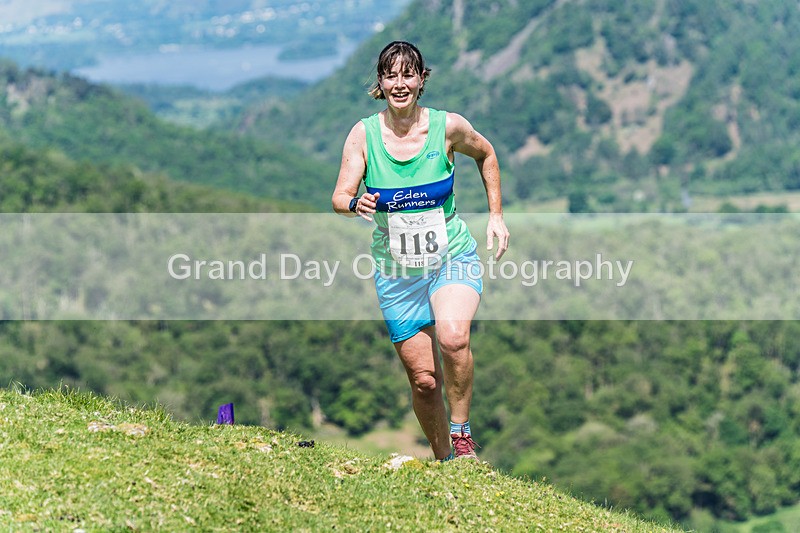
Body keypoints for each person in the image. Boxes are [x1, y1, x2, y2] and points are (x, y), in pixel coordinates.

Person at [332, 40, 509, 461]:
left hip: (451, 257)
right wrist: (355, 203)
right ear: (380, 83)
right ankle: (445, 458)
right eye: (391, 76)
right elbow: (339, 196)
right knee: (425, 381)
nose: (400, 84)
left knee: (453, 338)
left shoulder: (448, 127)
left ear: (421, 80)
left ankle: (462, 438)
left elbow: (486, 153)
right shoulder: (363, 135)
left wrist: (496, 215)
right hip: (397, 273)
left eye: (408, 75)